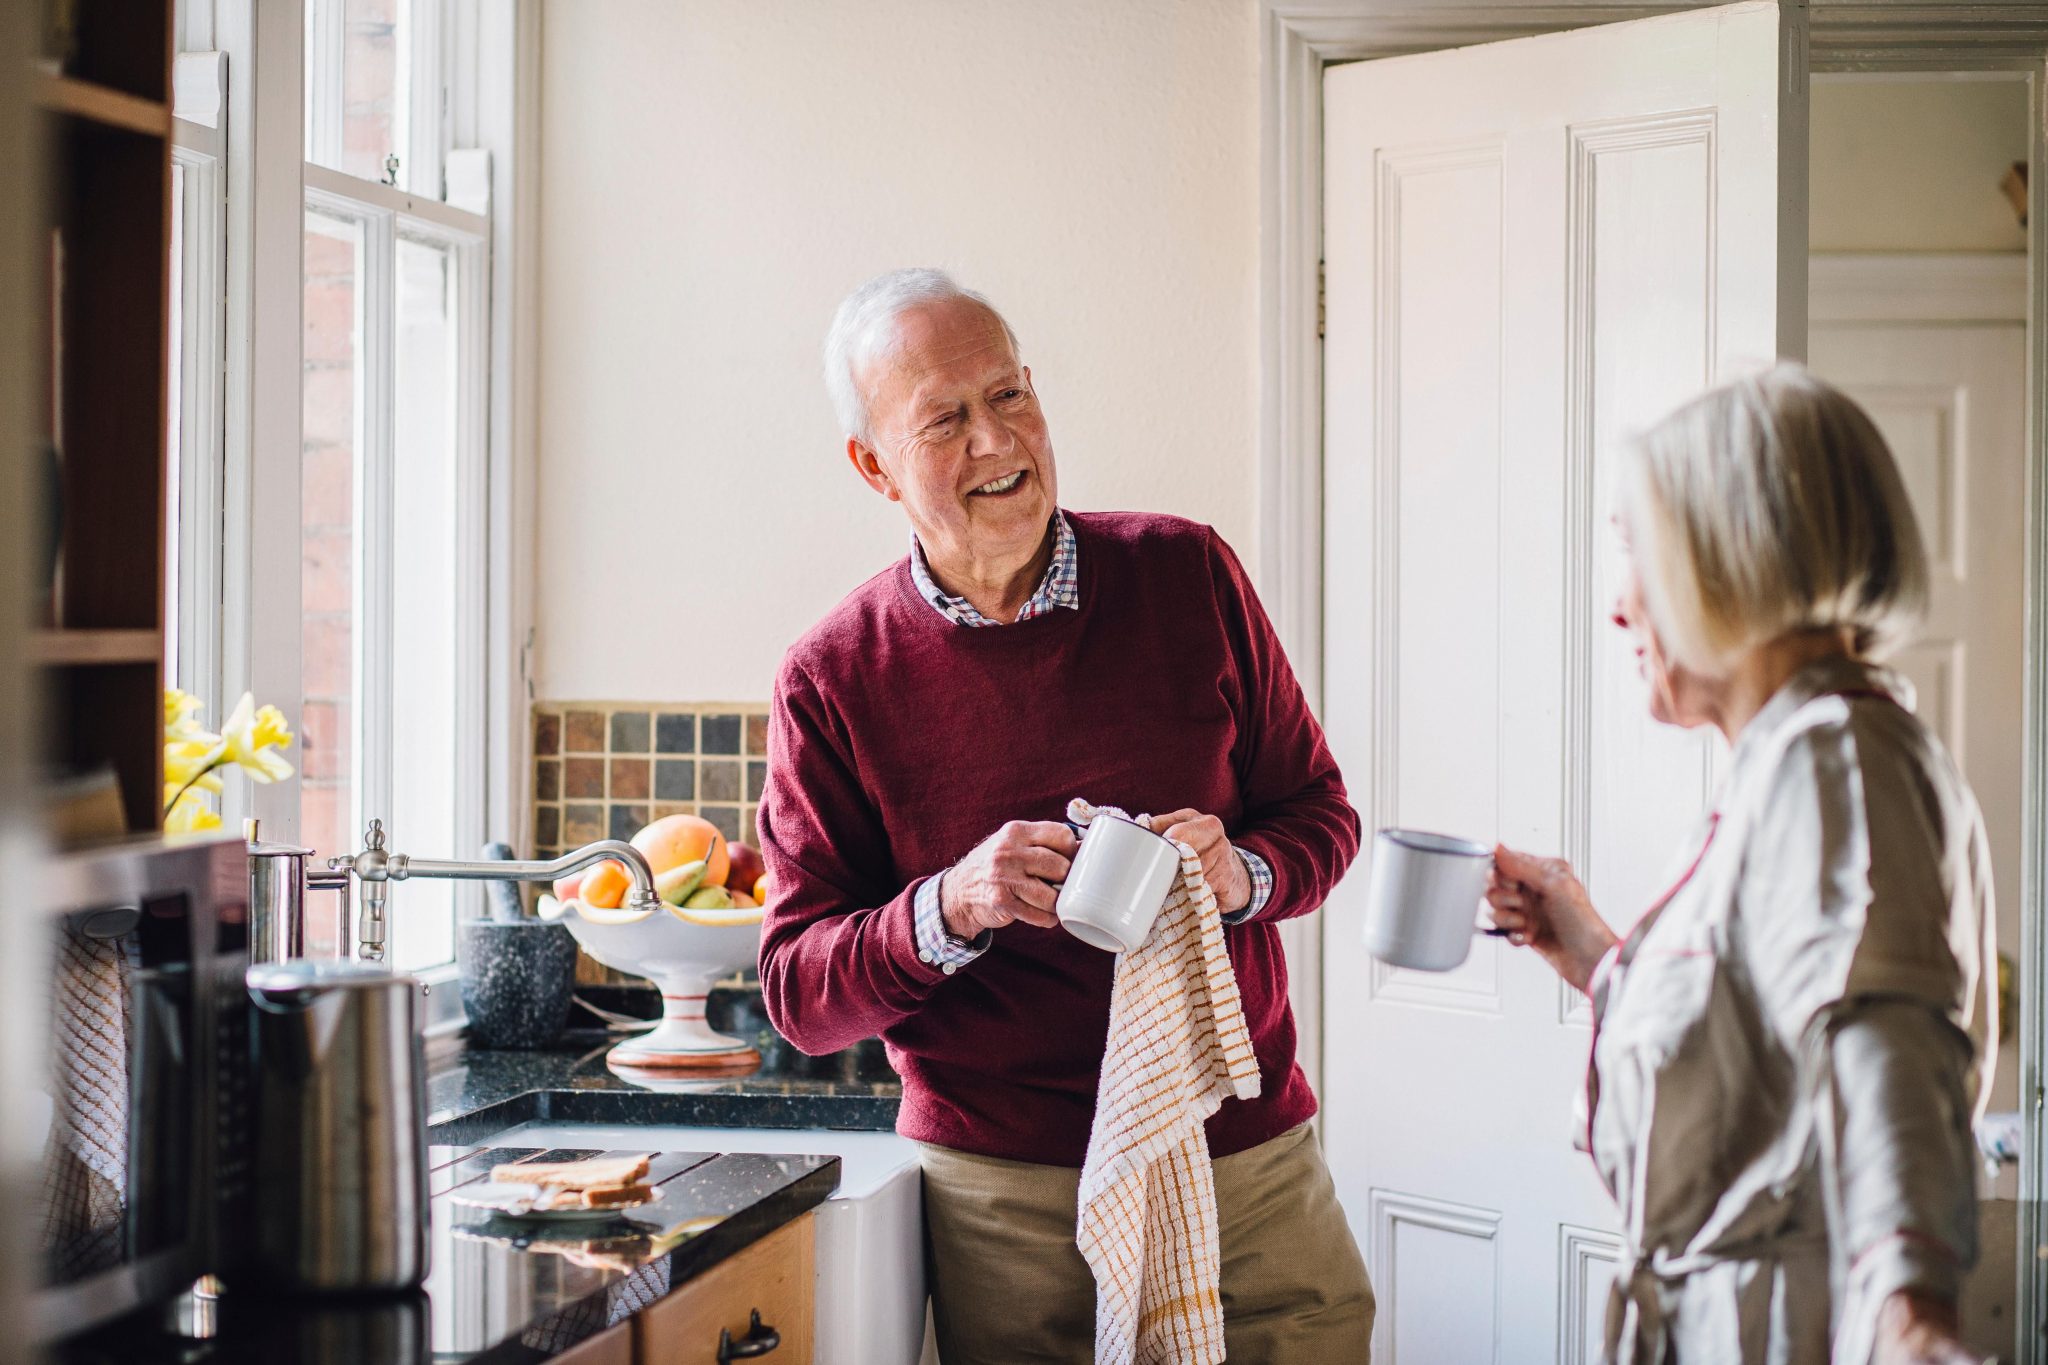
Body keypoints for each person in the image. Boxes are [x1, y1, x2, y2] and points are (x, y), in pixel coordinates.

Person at [756, 267, 1374, 1362]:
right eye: (944, 420)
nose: (997, 444)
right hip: (1005, 1195)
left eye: (1009, 396)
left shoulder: (1185, 573)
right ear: (873, 467)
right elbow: (799, 993)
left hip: (1242, 1157)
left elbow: (1318, 815)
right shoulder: (831, 677)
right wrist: (948, 907)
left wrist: (1242, 875)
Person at [1486, 365, 1995, 1365]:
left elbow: (1881, 1045)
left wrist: (1910, 1320)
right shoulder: (1786, 764)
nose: (1620, 609)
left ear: (1728, 560)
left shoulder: (1831, 760)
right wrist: (1593, 954)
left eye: (1636, 553)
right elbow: (1759, 1056)